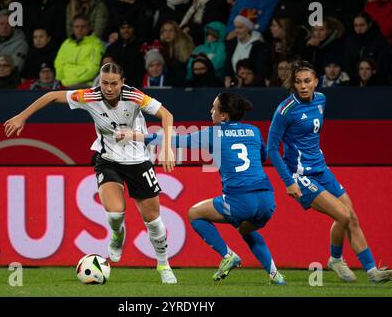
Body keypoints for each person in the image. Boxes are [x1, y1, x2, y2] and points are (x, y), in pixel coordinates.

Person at [4, 62, 178, 284]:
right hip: (108, 161)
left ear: (122, 83)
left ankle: (163, 264)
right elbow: (50, 97)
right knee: (115, 214)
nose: (108, 88)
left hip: (139, 162)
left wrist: (166, 147)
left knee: (153, 221)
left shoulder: (134, 96)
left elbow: (167, 115)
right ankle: (117, 235)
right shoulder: (90, 96)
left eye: (113, 83)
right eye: (104, 82)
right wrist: (22, 116)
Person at [122, 92, 286, 284]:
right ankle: (275, 275)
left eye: (214, 108)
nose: (211, 111)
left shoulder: (213, 133)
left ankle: (227, 255)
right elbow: (264, 156)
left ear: (223, 115)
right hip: (267, 199)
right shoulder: (254, 131)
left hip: (241, 199)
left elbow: (176, 141)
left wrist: (136, 136)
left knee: (194, 213)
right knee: (246, 228)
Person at [267, 59, 392, 284]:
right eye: (298, 82)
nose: (303, 86)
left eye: (307, 81)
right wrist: (288, 181)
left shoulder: (322, 100)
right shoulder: (285, 110)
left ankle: (371, 272)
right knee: (343, 215)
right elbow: (272, 149)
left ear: (316, 81)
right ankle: (337, 259)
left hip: (322, 169)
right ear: (294, 84)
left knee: (350, 217)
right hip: (300, 176)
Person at [54, 14, 104, 87]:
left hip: (85, 84)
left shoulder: (96, 44)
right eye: (77, 27)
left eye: (83, 26)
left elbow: (93, 70)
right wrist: (60, 79)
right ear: (73, 28)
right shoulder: (67, 43)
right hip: (63, 84)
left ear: (89, 27)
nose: (80, 29)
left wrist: (66, 82)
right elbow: (58, 64)